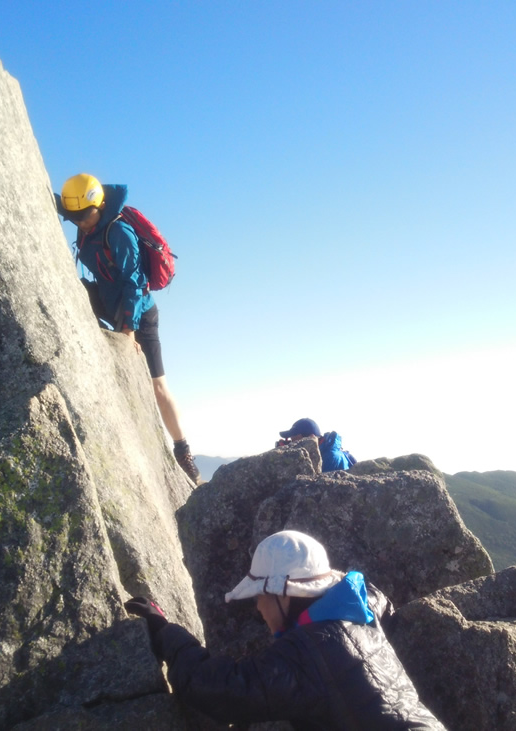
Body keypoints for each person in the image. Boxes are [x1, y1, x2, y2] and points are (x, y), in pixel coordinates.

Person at [124, 531, 445, 730]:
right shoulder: (360, 608)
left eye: (259, 597)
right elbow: (379, 600)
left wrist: (165, 633)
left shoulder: (307, 656)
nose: (258, 608)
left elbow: (219, 690)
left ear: (282, 595)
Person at [58, 173, 200, 483]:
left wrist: (128, 330)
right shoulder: (85, 216)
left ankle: (183, 452)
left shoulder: (118, 230)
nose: (81, 222)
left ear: (100, 205)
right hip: (108, 302)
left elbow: (135, 283)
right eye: (75, 218)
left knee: (158, 386)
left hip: (140, 315)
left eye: (85, 215)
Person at [277, 418, 355, 472]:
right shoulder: (323, 451)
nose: (292, 445)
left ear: (310, 438)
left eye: (294, 441)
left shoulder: (329, 458)